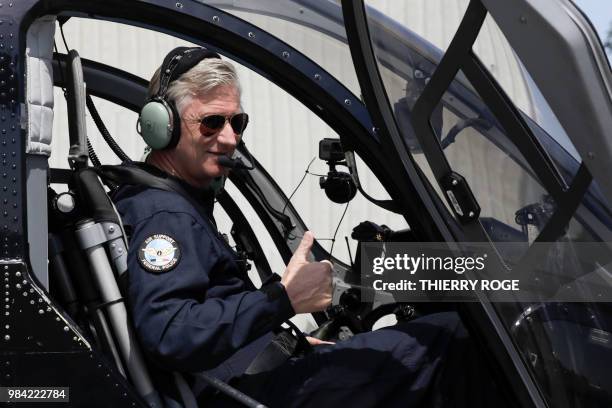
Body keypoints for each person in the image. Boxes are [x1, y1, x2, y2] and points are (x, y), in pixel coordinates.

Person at [114, 47, 507, 407]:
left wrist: (284, 340)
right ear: (161, 126)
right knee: (454, 337)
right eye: (211, 123)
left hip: (259, 374)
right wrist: (281, 300)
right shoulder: (165, 216)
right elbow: (169, 333)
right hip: (249, 394)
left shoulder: (175, 202)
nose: (230, 138)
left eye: (237, 122)